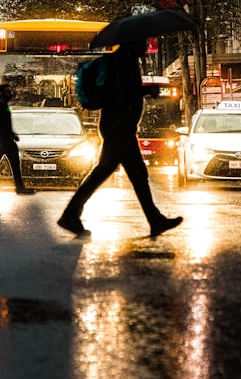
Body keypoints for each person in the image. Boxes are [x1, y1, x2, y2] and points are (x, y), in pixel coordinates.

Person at [57, 39, 182, 237]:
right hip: (119, 126)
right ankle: (71, 214)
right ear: (132, 42)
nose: (147, 47)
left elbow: (120, 92)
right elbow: (121, 93)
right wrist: (146, 90)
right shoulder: (123, 62)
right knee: (125, 173)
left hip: (118, 125)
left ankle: (154, 219)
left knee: (126, 173)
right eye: (144, 42)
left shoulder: (123, 60)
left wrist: (143, 91)